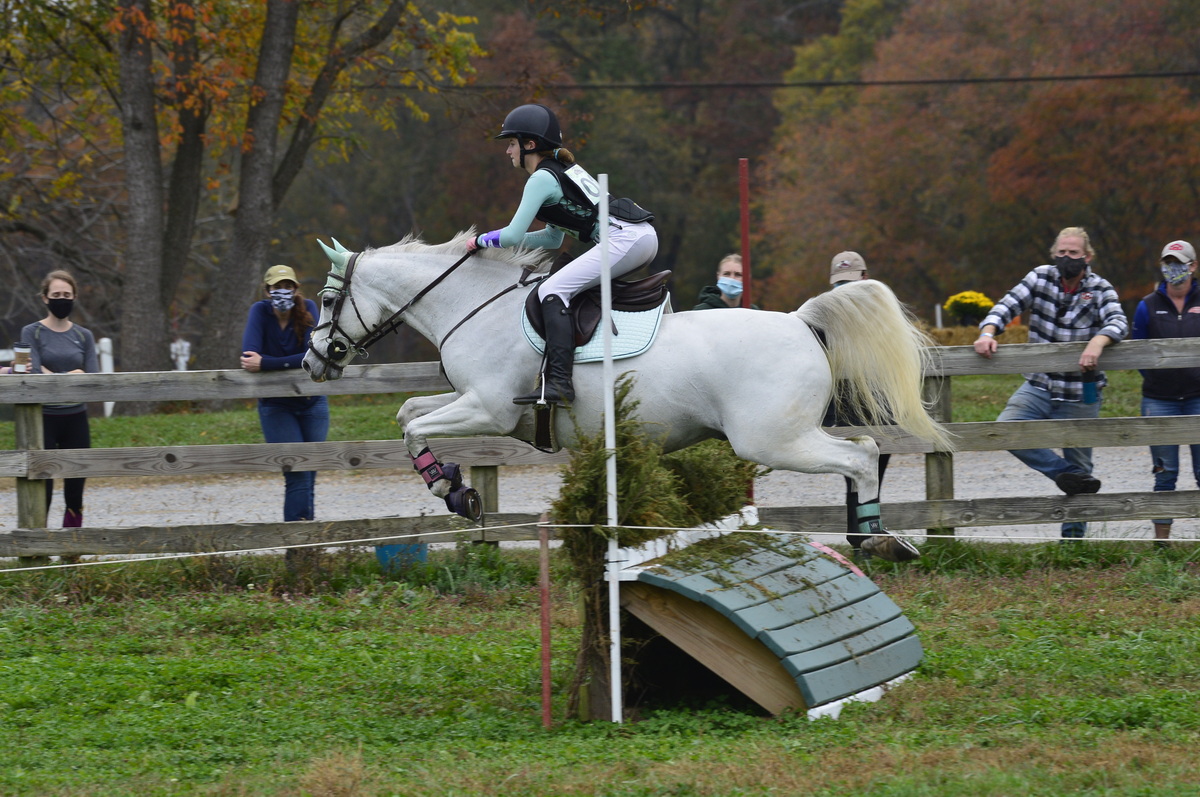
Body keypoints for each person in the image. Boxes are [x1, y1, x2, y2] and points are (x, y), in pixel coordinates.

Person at [466, 103, 658, 405]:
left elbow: (513, 234)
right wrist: (495, 243)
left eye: (512, 144)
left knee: (552, 290)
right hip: (636, 236)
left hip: (626, 239)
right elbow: (552, 239)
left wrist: (479, 241)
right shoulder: (556, 172)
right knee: (560, 286)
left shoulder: (541, 179)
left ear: (530, 145)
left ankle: (559, 383)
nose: (508, 152)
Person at [974, 226, 1128, 540]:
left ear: (1087, 257)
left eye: (1073, 253)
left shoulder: (1099, 288)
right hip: (1039, 384)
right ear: (1054, 254)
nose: (1067, 258)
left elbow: (1118, 321)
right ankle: (1062, 473)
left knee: (1081, 462)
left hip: (1080, 391)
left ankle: (1073, 541)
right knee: (1006, 428)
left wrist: (1097, 343)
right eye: (1062, 253)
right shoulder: (1040, 277)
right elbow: (1007, 306)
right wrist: (988, 332)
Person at [820, 251, 912, 562]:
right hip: (845, 411)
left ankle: (864, 542)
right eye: (839, 284)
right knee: (855, 478)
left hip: (880, 411)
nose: (844, 290)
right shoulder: (825, 315)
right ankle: (862, 545)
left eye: (850, 282)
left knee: (872, 479)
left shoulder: (884, 315)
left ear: (865, 278)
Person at [5, 270, 100, 530]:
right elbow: (32, 372)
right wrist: (72, 374)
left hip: (76, 417)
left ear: (75, 297)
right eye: (56, 295)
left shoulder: (84, 336)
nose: (62, 299)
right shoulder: (31, 332)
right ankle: (39, 546)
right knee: (41, 486)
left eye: (66, 295)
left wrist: (52, 373)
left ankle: (72, 547)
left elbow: (93, 377)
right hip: (43, 418)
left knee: (75, 489)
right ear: (45, 298)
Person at [240, 265, 330, 537]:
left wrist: (266, 362)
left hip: (313, 404)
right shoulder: (259, 311)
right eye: (277, 286)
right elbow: (248, 357)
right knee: (296, 473)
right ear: (267, 291)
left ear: (296, 289)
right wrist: (285, 363)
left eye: (288, 286)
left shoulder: (310, 309)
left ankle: (307, 545)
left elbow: (312, 354)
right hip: (276, 406)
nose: (283, 291)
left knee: (310, 474)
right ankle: (298, 549)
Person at [1130, 240, 1200, 548]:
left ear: (1192, 266)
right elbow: (1137, 351)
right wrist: (1159, 378)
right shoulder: (1147, 305)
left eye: (1179, 262)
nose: (1174, 268)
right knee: (1164, 473)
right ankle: (1162, 546)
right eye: (1168, 262)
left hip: (1199, 396)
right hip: (1159, 400)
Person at [693, 254, 757, 310]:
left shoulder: (753, 312)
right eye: (726, 274)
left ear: (747, 279)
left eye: (738, 274)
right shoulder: (702, 312)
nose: (732, 279)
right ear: (718, 276)